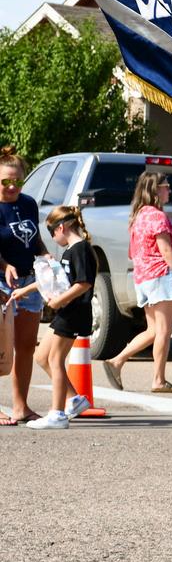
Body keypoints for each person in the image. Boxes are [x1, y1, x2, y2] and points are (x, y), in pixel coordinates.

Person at [9, 207, 98, 428]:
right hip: (66, 312)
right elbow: (56, 280)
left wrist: (59, 301)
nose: (52, 239)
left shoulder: (81, 250)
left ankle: (57, 414)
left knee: (55, 360)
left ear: (61, 227)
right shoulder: (70, 250)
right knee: (42, 356)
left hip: (74, 312)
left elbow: (84, 283)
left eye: (51, 233)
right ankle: (74, 400)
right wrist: (25, 290)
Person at [102, 172, 172, 393]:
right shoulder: (158, 217)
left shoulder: (139, 216)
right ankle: (158, 380)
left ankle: (117, 361)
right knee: (164, 332)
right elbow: (166, 250)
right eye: (166, 186)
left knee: (153, 331)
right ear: (155, 189)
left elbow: (132, 253)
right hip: (161, 275)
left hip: (143, 278)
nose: (169, 190)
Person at [0, 147, 47, 424]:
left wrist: (45, 255)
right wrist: (5, 265)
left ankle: (21, 407)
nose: (12, 186)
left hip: (29, 282)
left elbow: (34, 238)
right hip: (2, 284)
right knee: (0, 345)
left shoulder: (29, 203)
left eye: (17, 181)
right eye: (5, 181)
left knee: (26, 346)